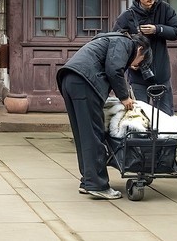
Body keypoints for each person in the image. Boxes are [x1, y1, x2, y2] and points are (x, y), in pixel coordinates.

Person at [56, 32, 152, 200]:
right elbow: (114, 69)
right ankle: (97, 185)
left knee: (83, 135)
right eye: (141, 60)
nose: (136, 65)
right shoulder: (125, 43)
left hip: (69, 80)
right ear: (140, 49)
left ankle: (88, 181)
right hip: (84, 82)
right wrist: (124, 97)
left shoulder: (110, 39)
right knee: (93, 134)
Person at [112, 0, 177, 115]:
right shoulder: (127, 16)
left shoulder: (165, 9)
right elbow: (115, 42)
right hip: (138, 75)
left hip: (161, 74)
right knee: (140, 116)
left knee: (165, 116)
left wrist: (158, 29)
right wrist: (129, 62)